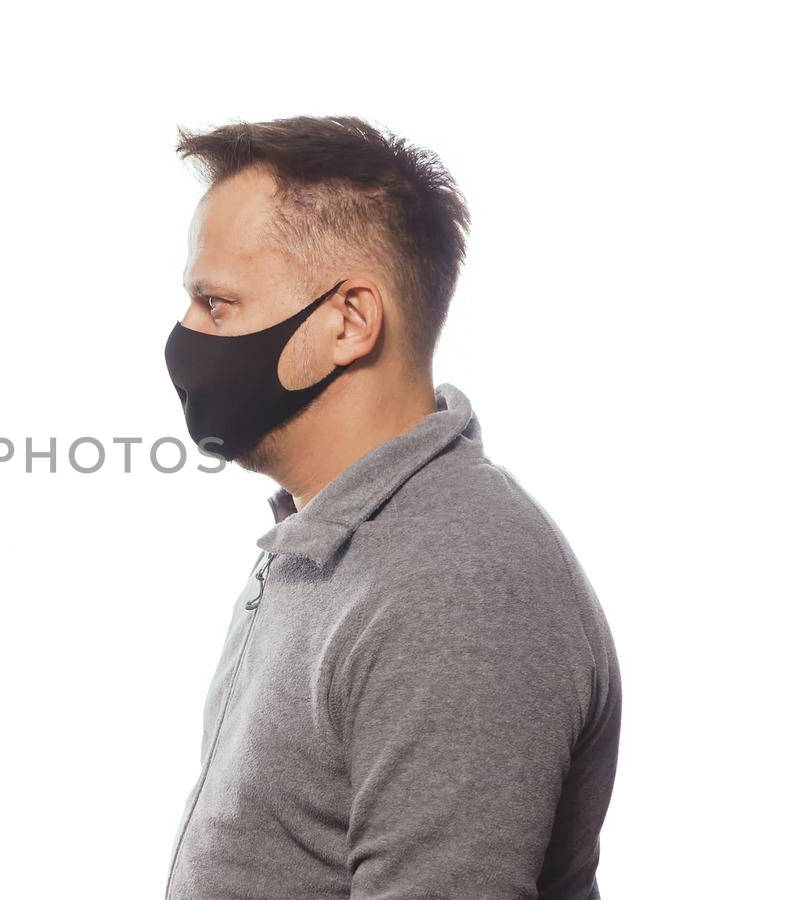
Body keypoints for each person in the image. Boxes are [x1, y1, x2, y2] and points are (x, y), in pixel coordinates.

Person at [161, 116, 621, 898]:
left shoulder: (460, 585)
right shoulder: (326, 543)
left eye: (216, 304)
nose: (184, 337)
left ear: (348, 322)